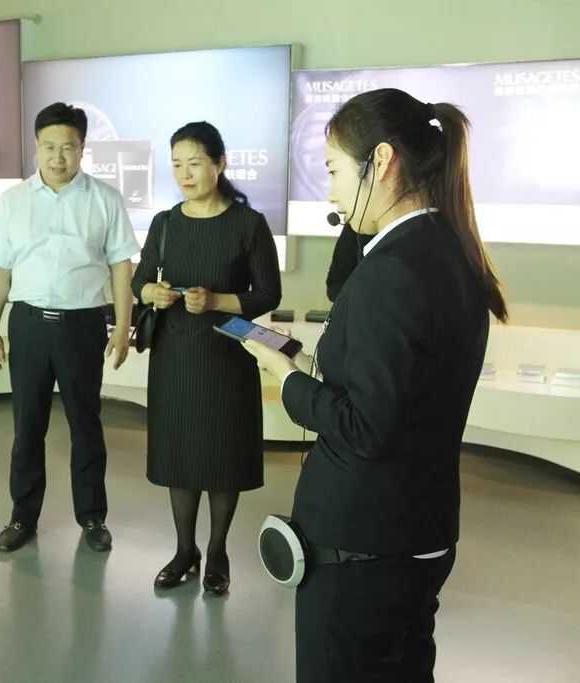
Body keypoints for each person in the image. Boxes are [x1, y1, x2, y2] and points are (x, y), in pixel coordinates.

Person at [241, 89, 508, 681]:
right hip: (419, 531)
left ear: (381, 161)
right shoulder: (451, 252)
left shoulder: (391, 272)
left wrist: (287, 377)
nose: (330, 192)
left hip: (364, 548)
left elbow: (364, 427)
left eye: (334, 171)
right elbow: (397, 392)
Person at [0, 102, 140, 553]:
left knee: (86, 425)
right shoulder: (12, 202)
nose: (57, 156)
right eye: (48, 146)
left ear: (82, 148)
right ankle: (22, 516)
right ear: (36, 146)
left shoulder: (105, 199)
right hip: (28, 325)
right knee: (27, 426)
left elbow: (121, 267)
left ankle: (92, 517)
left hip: (82, 326)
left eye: (67, 147)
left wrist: (123, 326)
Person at [131, 122, 281, 594]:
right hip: (174, 355)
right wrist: (152, 293)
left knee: (222, 453)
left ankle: (217, 552)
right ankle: (184, 550)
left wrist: (216, 301)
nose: (185, 174)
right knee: (180, 453)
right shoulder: (165, 223)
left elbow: (268, 293)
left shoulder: (248, 224)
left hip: (225, 356)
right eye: (177, 164)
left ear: (220, 163)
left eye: (194, 163)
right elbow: (139, 281)